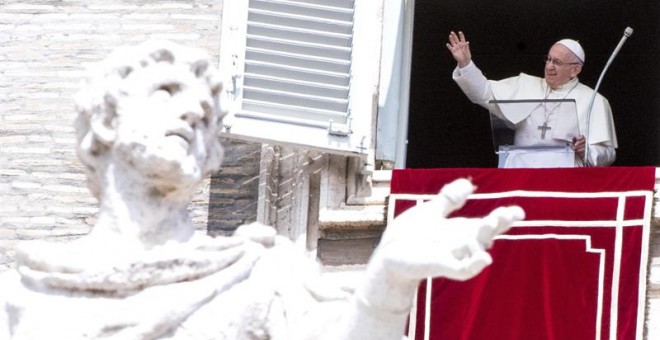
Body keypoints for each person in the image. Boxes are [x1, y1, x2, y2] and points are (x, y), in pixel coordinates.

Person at [0, 40, 524, 339]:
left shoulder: (264, 276)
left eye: (206, 112)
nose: (193, 110)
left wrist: (384, 288)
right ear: (106, 119)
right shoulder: (19, 295)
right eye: (165, 92)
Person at [446, 31, 618, 167]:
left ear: (575, 70)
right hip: (520, 172)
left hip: (563, 179)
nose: (549, 66)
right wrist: (466, 65)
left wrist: (584, 150)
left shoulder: (593, 100)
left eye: (557, 62)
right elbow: (484, 93)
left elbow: (608, 154)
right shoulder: (525, 85)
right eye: (548, 59)